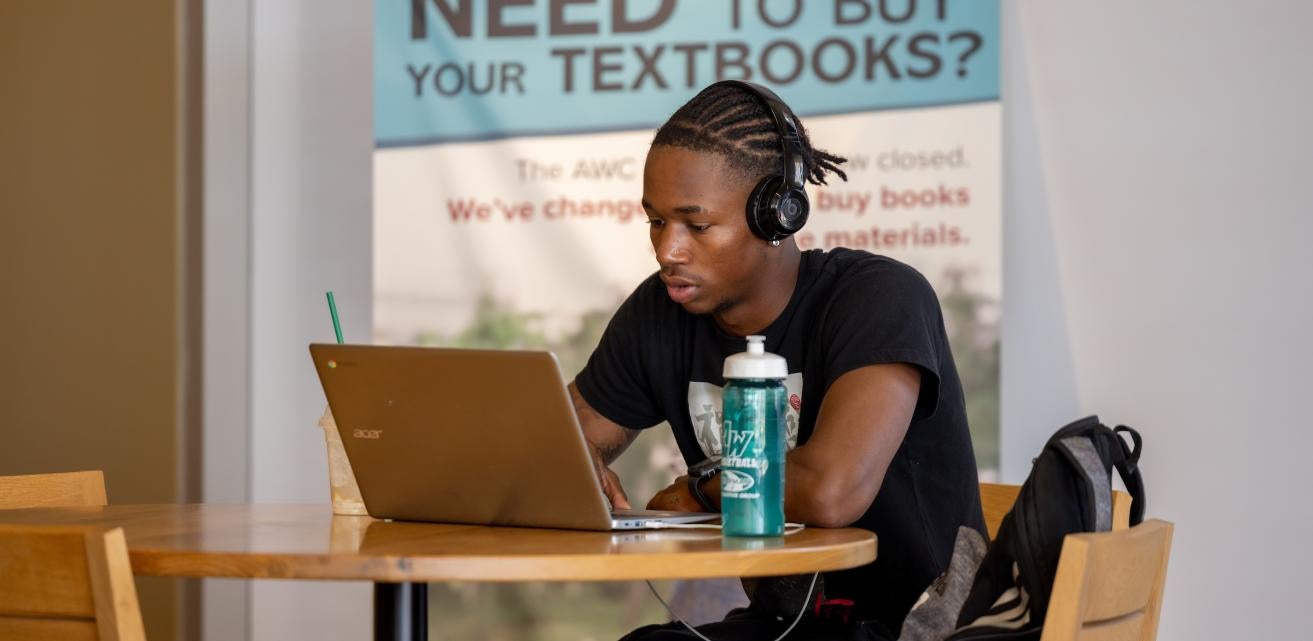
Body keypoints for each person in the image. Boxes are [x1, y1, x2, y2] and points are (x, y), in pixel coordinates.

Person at [569, 80, 985, 640]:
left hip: (919, 629)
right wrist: (574, 462)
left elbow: (832, 491)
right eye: (656, 221)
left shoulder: (880, 298)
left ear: (777, 215)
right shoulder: (660, 311)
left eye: (697, 225)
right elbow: (565, 439)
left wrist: (700, 489)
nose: (668, 250)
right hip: (789, 625)